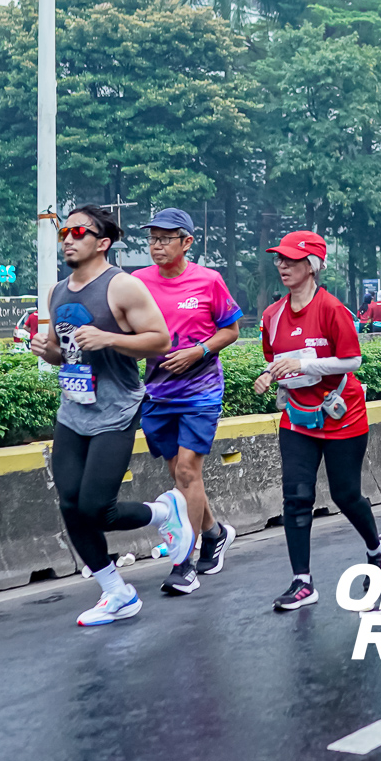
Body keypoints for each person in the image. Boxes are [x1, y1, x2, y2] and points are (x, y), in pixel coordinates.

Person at [31, 205, 184, 628]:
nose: (68, 238)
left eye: (78, 232)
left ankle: (164, 513)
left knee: (97, 508)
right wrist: (47, 351)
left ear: (102, 242)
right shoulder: (57, 291)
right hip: (73, 409)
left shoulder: (122, 286)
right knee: (70, 504)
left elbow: (160, 340)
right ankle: (116, 592)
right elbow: (64, 353)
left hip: (116, 408)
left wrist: (109, 338)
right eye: (64, 232)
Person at [254, 230, 381, 611]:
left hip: (341, 414)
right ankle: (302, 582)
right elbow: (275, 359)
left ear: (312, 266)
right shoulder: (272, 315)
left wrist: (304, 364)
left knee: (345, 495)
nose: (282, 266)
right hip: (297, 416)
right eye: (279, 259)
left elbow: (352, 360)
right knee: (296, 496)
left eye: (291, 260)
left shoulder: (332, 309)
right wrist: (268, 375)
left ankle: (376, 548)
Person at [130, 209, 244, 595]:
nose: (156, 245)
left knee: (187, 472)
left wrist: (199, 351)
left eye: (165, 238)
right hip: (157, 393)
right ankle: (214, 533)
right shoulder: (138, 283)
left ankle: (185, 563)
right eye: (152, 239)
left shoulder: (208, 281)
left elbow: (231, 330)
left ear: (187, 242)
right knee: (180, 476)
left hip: (201, 393)